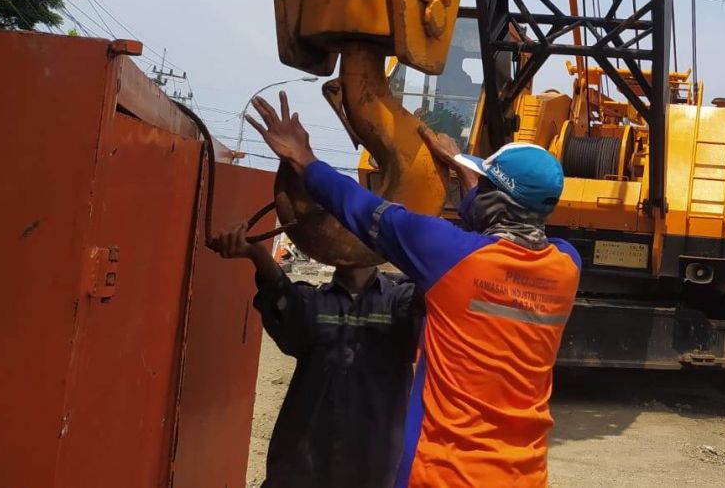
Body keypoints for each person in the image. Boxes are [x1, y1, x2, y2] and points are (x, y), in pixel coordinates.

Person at [245, 91, 581, 488]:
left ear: (496, 201)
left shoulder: (449, 257)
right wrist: (468, 175)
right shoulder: (565, 265)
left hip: (444, 475)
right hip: (523, 475)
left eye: (486, 188)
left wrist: (304, 158)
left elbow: (360, 207)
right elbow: (498, 221)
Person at [207, 222, 419, 488]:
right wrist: (258, 256)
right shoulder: (313, 303)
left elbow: (428, 304)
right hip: (303, 468)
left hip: (373, 471)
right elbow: (286, 304)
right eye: (342, 228)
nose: (350, 236)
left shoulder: (400, 302)